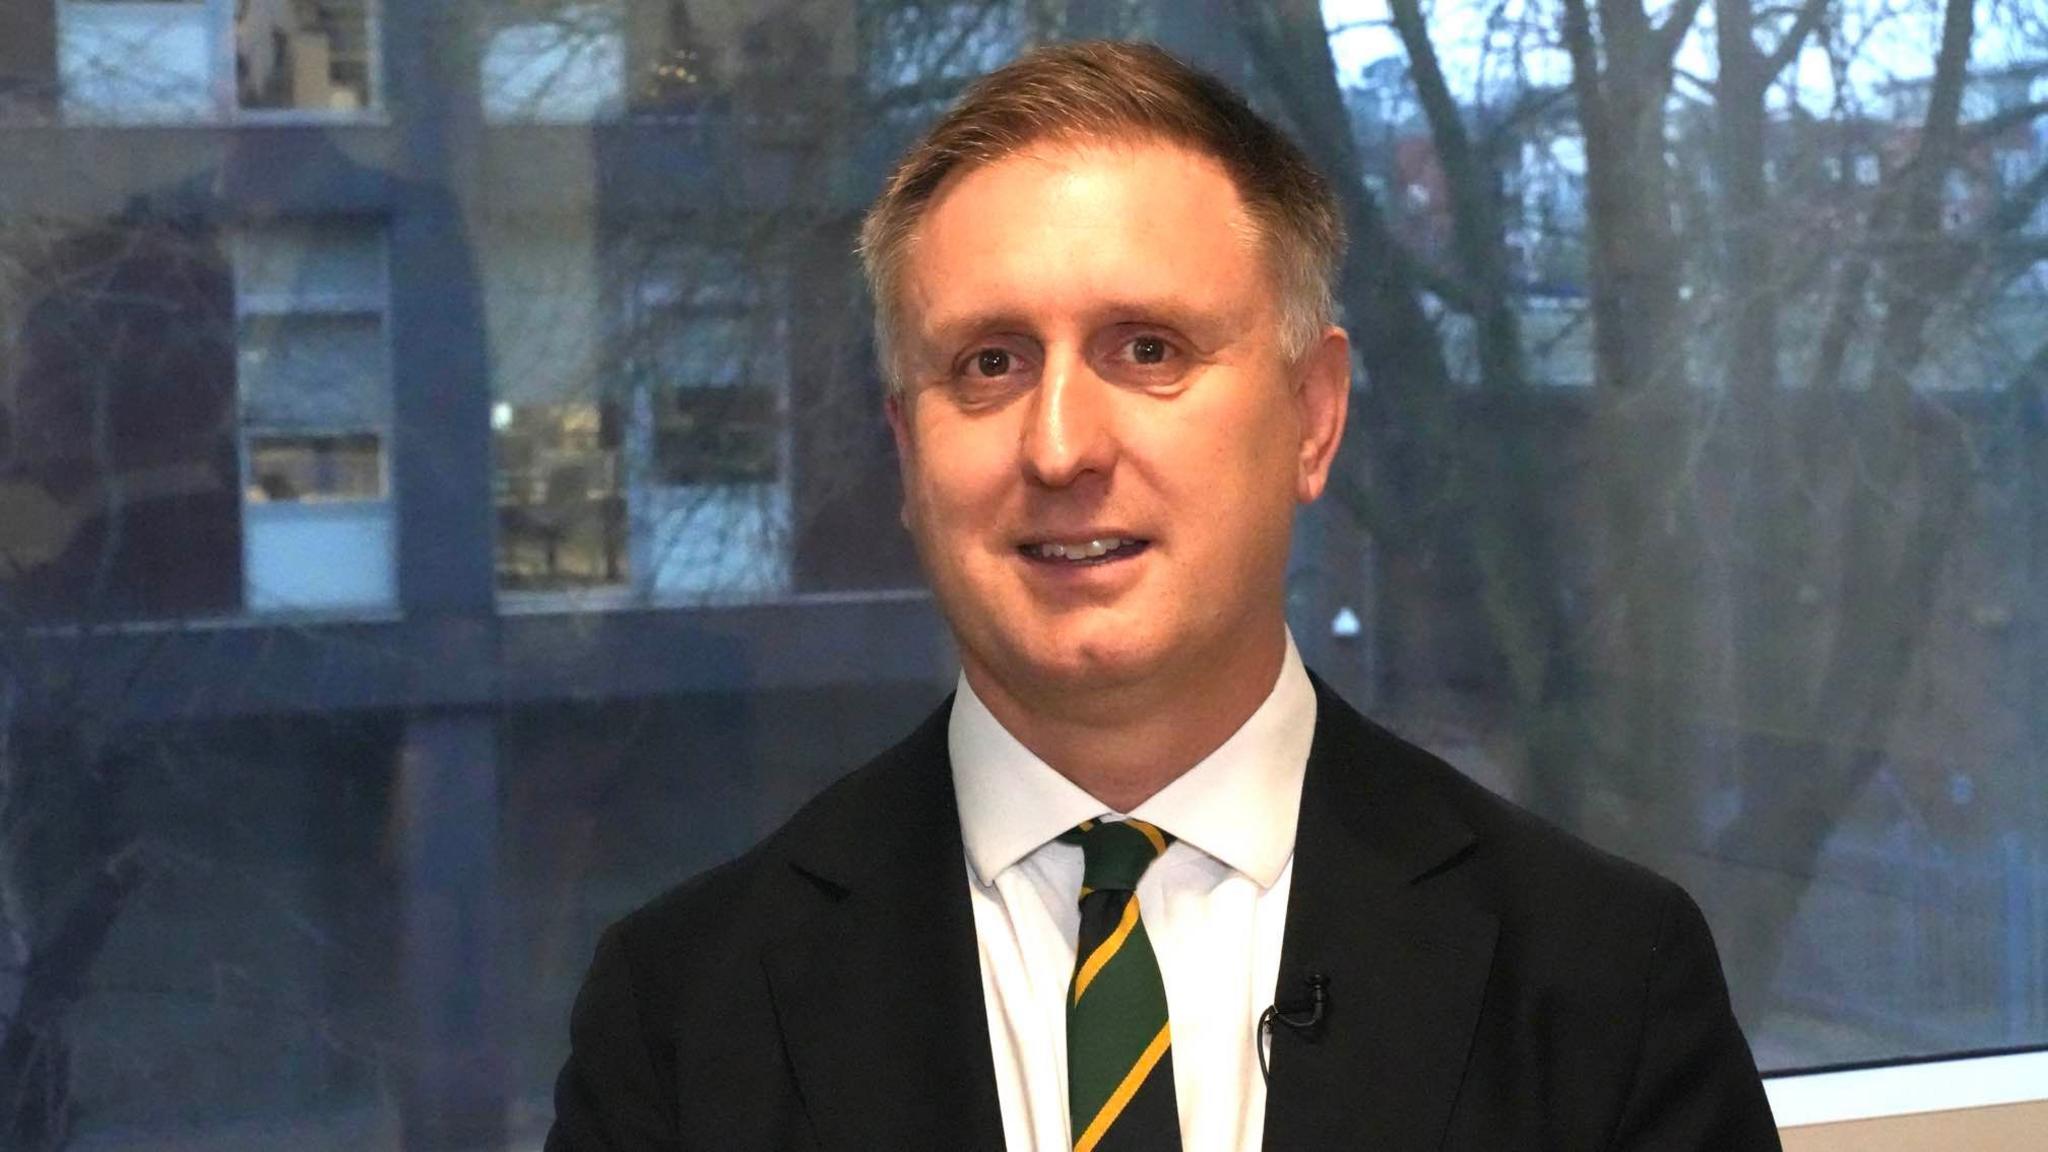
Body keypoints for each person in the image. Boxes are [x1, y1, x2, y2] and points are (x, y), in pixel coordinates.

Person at [546, 40, 1782, 1152]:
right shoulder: (679, 1018)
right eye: (988, 364)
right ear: (908, 453)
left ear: (1311, 415)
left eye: (1148, 349)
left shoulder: (1599, 984)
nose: (1061, 446)